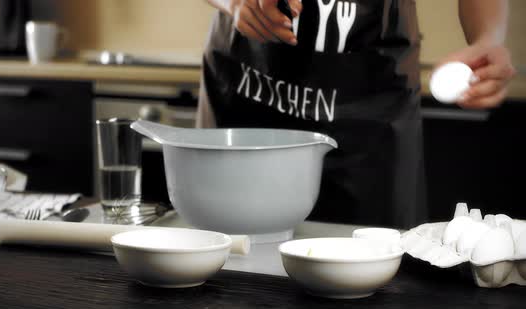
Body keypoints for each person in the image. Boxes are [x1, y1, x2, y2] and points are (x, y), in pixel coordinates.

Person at [198, 0, 516, 228]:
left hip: (373, 112)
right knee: (230, 266)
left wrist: (488, 39)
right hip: (249, 95)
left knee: (376, 275)